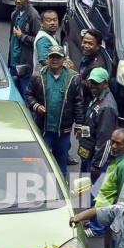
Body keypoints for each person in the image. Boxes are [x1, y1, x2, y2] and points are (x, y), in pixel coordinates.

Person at [24, 45, 85, 177]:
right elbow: (29, 94)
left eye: (58, 57)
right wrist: (36, 106)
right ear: (47, 59)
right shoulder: (37, 76)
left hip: (63, 130)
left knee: (61, 160)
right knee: (40, 160)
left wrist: (79, 125)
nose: (55, 60)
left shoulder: (73, 78)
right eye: (52, 57)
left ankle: (61, 187)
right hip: (44, 128)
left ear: (63, 59)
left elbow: (78, 102)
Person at [80, 68, 119, 181]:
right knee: (84, 190)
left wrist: (97, 165)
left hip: (95, 159)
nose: (92, 85)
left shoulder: (107, 107)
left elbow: (105, 140)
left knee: (93, 194)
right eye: (91, 82)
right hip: (88, 153)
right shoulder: (98, 97)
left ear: (106, 83)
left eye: (97, 83)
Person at [8, 0, 41, 97]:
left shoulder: (34, 16)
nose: (18, 1)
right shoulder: (15, 12)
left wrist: (22, 36)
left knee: (25, 93)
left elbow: (39, 40)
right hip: (14, 60)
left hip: (25, 63)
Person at [78, 28, 109, 101]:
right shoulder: (88, 56)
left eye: (90, 43)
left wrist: (72, 75)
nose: (86, 46)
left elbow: (88, 86)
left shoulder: (97, 67)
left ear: (98, 46)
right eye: (84, 42)